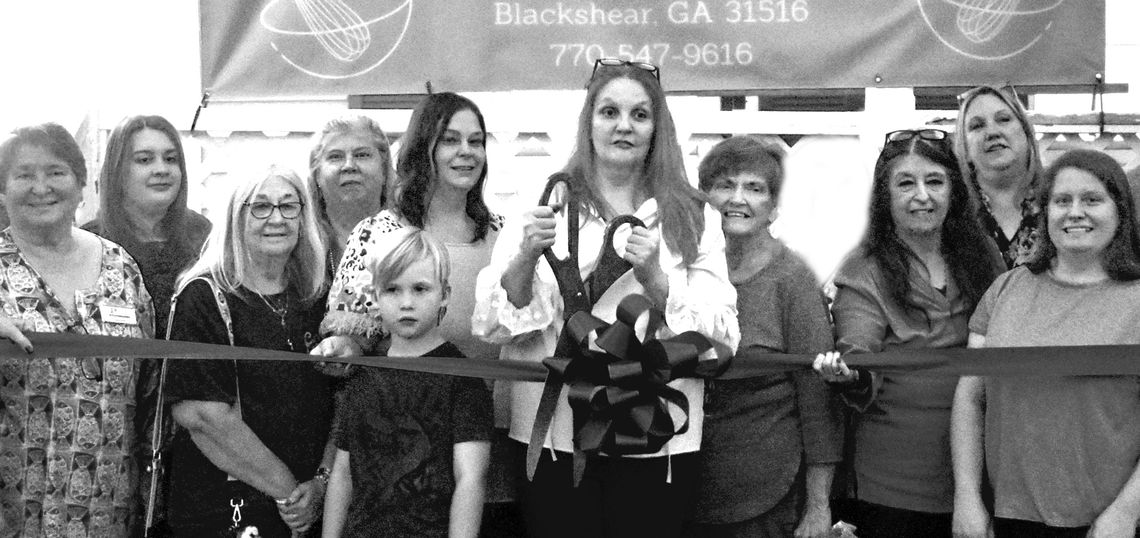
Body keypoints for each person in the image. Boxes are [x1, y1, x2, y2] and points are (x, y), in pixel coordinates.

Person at [472, 59, 740, 538]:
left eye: (640, 115)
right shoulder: (544, 203)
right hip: (555, 434)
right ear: (588, 121)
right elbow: (495, 326)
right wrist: (524, 260)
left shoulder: (694, 216)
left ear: (657, 127)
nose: (623, 125)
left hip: (658, 437)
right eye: (609, 111)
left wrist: (658, 280)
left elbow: (721, 337)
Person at [813, 129, 1003, 538]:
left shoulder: (983, 256)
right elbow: (857, 350)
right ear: (885, 196)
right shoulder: (863, 270)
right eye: (906, 183)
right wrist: (849, 374)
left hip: (984, 475)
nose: (922, 195)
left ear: (954, 190)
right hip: (892, 487)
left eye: (935, 181)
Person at [952, 149, 1140, 538]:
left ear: (1120, 211)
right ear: (1045, 212)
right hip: (1009, 515)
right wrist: (967, 497)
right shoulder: (1006, 289)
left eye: (1092, 200)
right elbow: (971, 398)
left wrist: (1126, 511)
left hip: (1108, 523)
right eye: (1062, 201)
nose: (1075, 212)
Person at [0, 123, 155, 537]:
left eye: (56, 172)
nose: (41, 187)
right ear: (2, 190)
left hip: (111, 511)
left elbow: (149, 388)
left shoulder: (121, 268)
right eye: (24, 175)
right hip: (16, 515)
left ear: (81, 184)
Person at [164, 166, 334, 537]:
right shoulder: (204, 297)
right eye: (261, 206)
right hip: (227, 510)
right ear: (235, 216)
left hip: (310, 506)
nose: (277, 218)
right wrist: (290, 493)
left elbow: (344, 397)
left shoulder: (317, 293)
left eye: (289, 206)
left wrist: (322, 483)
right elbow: (203, 417)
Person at [685, 136, 841, 538]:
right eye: (725, 185)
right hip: (684, 486)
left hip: (766, 496)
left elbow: (817, 399)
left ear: (773, 208)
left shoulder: (792, 280)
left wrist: (819, 507)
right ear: (704, 198)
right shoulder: (682, 270)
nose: (738, 199)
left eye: (754, 188)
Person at [321, 228, 492, 538]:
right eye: (392, 290)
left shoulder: (463, 379)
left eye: (420, 289)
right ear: (374, 296)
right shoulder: (361, 375)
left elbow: (471, 479)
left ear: (445, 294)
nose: (406, 302)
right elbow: (343, 475)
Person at [316, 92, 502, 361]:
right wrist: (343, 347)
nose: (467, 151)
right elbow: (354, 338)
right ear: (422, 148)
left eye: (476, 142)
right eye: (450, 140)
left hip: (496, 398)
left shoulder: (503, 233)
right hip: (409, 399)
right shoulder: (376, 233)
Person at [82, 114, 212, 339]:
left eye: (171, 159)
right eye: (144, 160)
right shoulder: (90, 242)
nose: (162, 169)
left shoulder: (203, 235)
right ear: (118, 171)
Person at [954, 84, 1044, 269]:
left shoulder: (1057, 203)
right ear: (966, 149)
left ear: (1027, 134)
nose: (992, 133)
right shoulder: (952, 212)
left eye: (1003, 119)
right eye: (977, 126)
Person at [307, 115, 395, 268]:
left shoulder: (408, 240)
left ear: (384, 170)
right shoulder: (301, 244)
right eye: (335, 157)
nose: (349, 165)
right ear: (316, 176)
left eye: (362, 155)